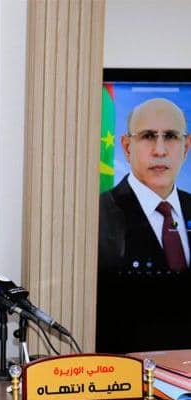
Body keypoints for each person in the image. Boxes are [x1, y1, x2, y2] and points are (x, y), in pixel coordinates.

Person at [97, 97, 191, 353]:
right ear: (127, 147)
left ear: (185, 147)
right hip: (126, 365)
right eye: (148, 136)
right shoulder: (96, 216)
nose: (160, 150)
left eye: (170, 136)